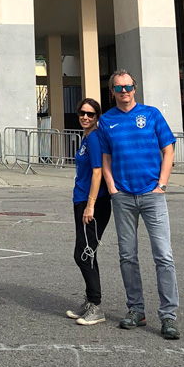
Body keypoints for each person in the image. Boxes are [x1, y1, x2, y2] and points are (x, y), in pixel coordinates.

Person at [95, 69, 181, 341]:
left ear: (135, 88)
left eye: (128, 87)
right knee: (127, 256)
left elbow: (168, 149)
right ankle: (136, 310)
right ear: (112, 92)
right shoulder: (106, 121)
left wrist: (162, 184)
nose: (124, 92)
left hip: (152, 195)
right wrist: (111, 186)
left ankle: (168, 316)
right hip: (123, 197)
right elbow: (106, 157)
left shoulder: (152, 114)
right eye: (118, 88)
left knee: (163, 256)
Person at [66, 97, 111, 325]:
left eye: (90, 114)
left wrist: (90, 205)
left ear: (97, 117)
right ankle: (90, 301)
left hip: (93, 203)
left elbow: (97, 172)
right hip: (81, 199)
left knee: (84, 254)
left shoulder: (94, 138)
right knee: (86, 252)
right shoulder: (85, 138)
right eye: (82, 113)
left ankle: (95, 305)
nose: (85, 117)